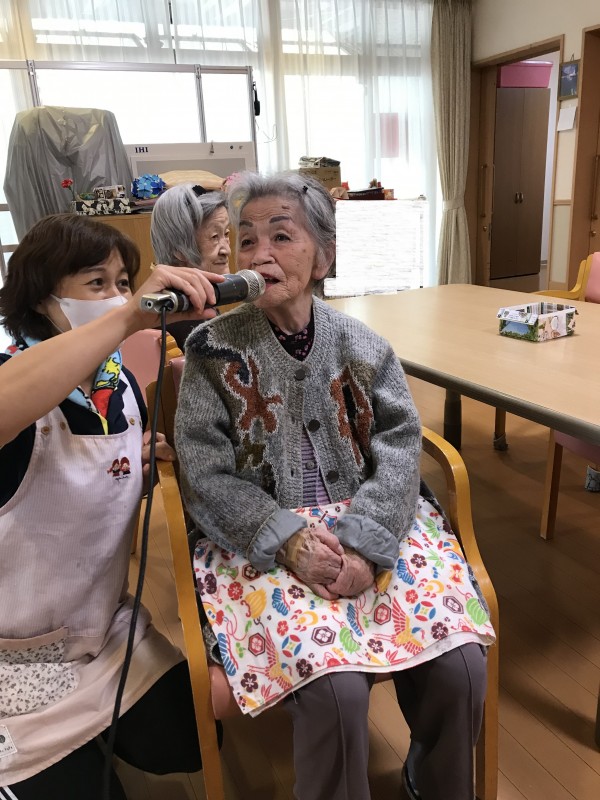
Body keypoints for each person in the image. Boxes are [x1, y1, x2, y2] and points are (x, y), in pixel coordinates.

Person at [175, 172, 496, 800]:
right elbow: (204, 472)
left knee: (461, 667)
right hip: (261, 534)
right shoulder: (211, 350)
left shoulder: (364, 344)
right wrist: (288, 540)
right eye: (246, 240)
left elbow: (400, 445)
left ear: (323, 257)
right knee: (335, 690)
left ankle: (435, 784)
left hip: (376, 519)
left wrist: (367, 542)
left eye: (281, 236)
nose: (260, 254)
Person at [0, 213, 224, 800]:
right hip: (15, 663)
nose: (119, 296)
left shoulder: (116, 388)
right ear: (40, 297)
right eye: (96, 283)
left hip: (101, 631)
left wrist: (135, 476)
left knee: (193, 741)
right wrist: (129, 316)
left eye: (124, 282)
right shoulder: (14, 379)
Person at [150, 184, 231, 350]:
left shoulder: (191, 302)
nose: (227, 250)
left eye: (227, 234)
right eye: (215, 237)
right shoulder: (186, 318)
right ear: (179, 250)